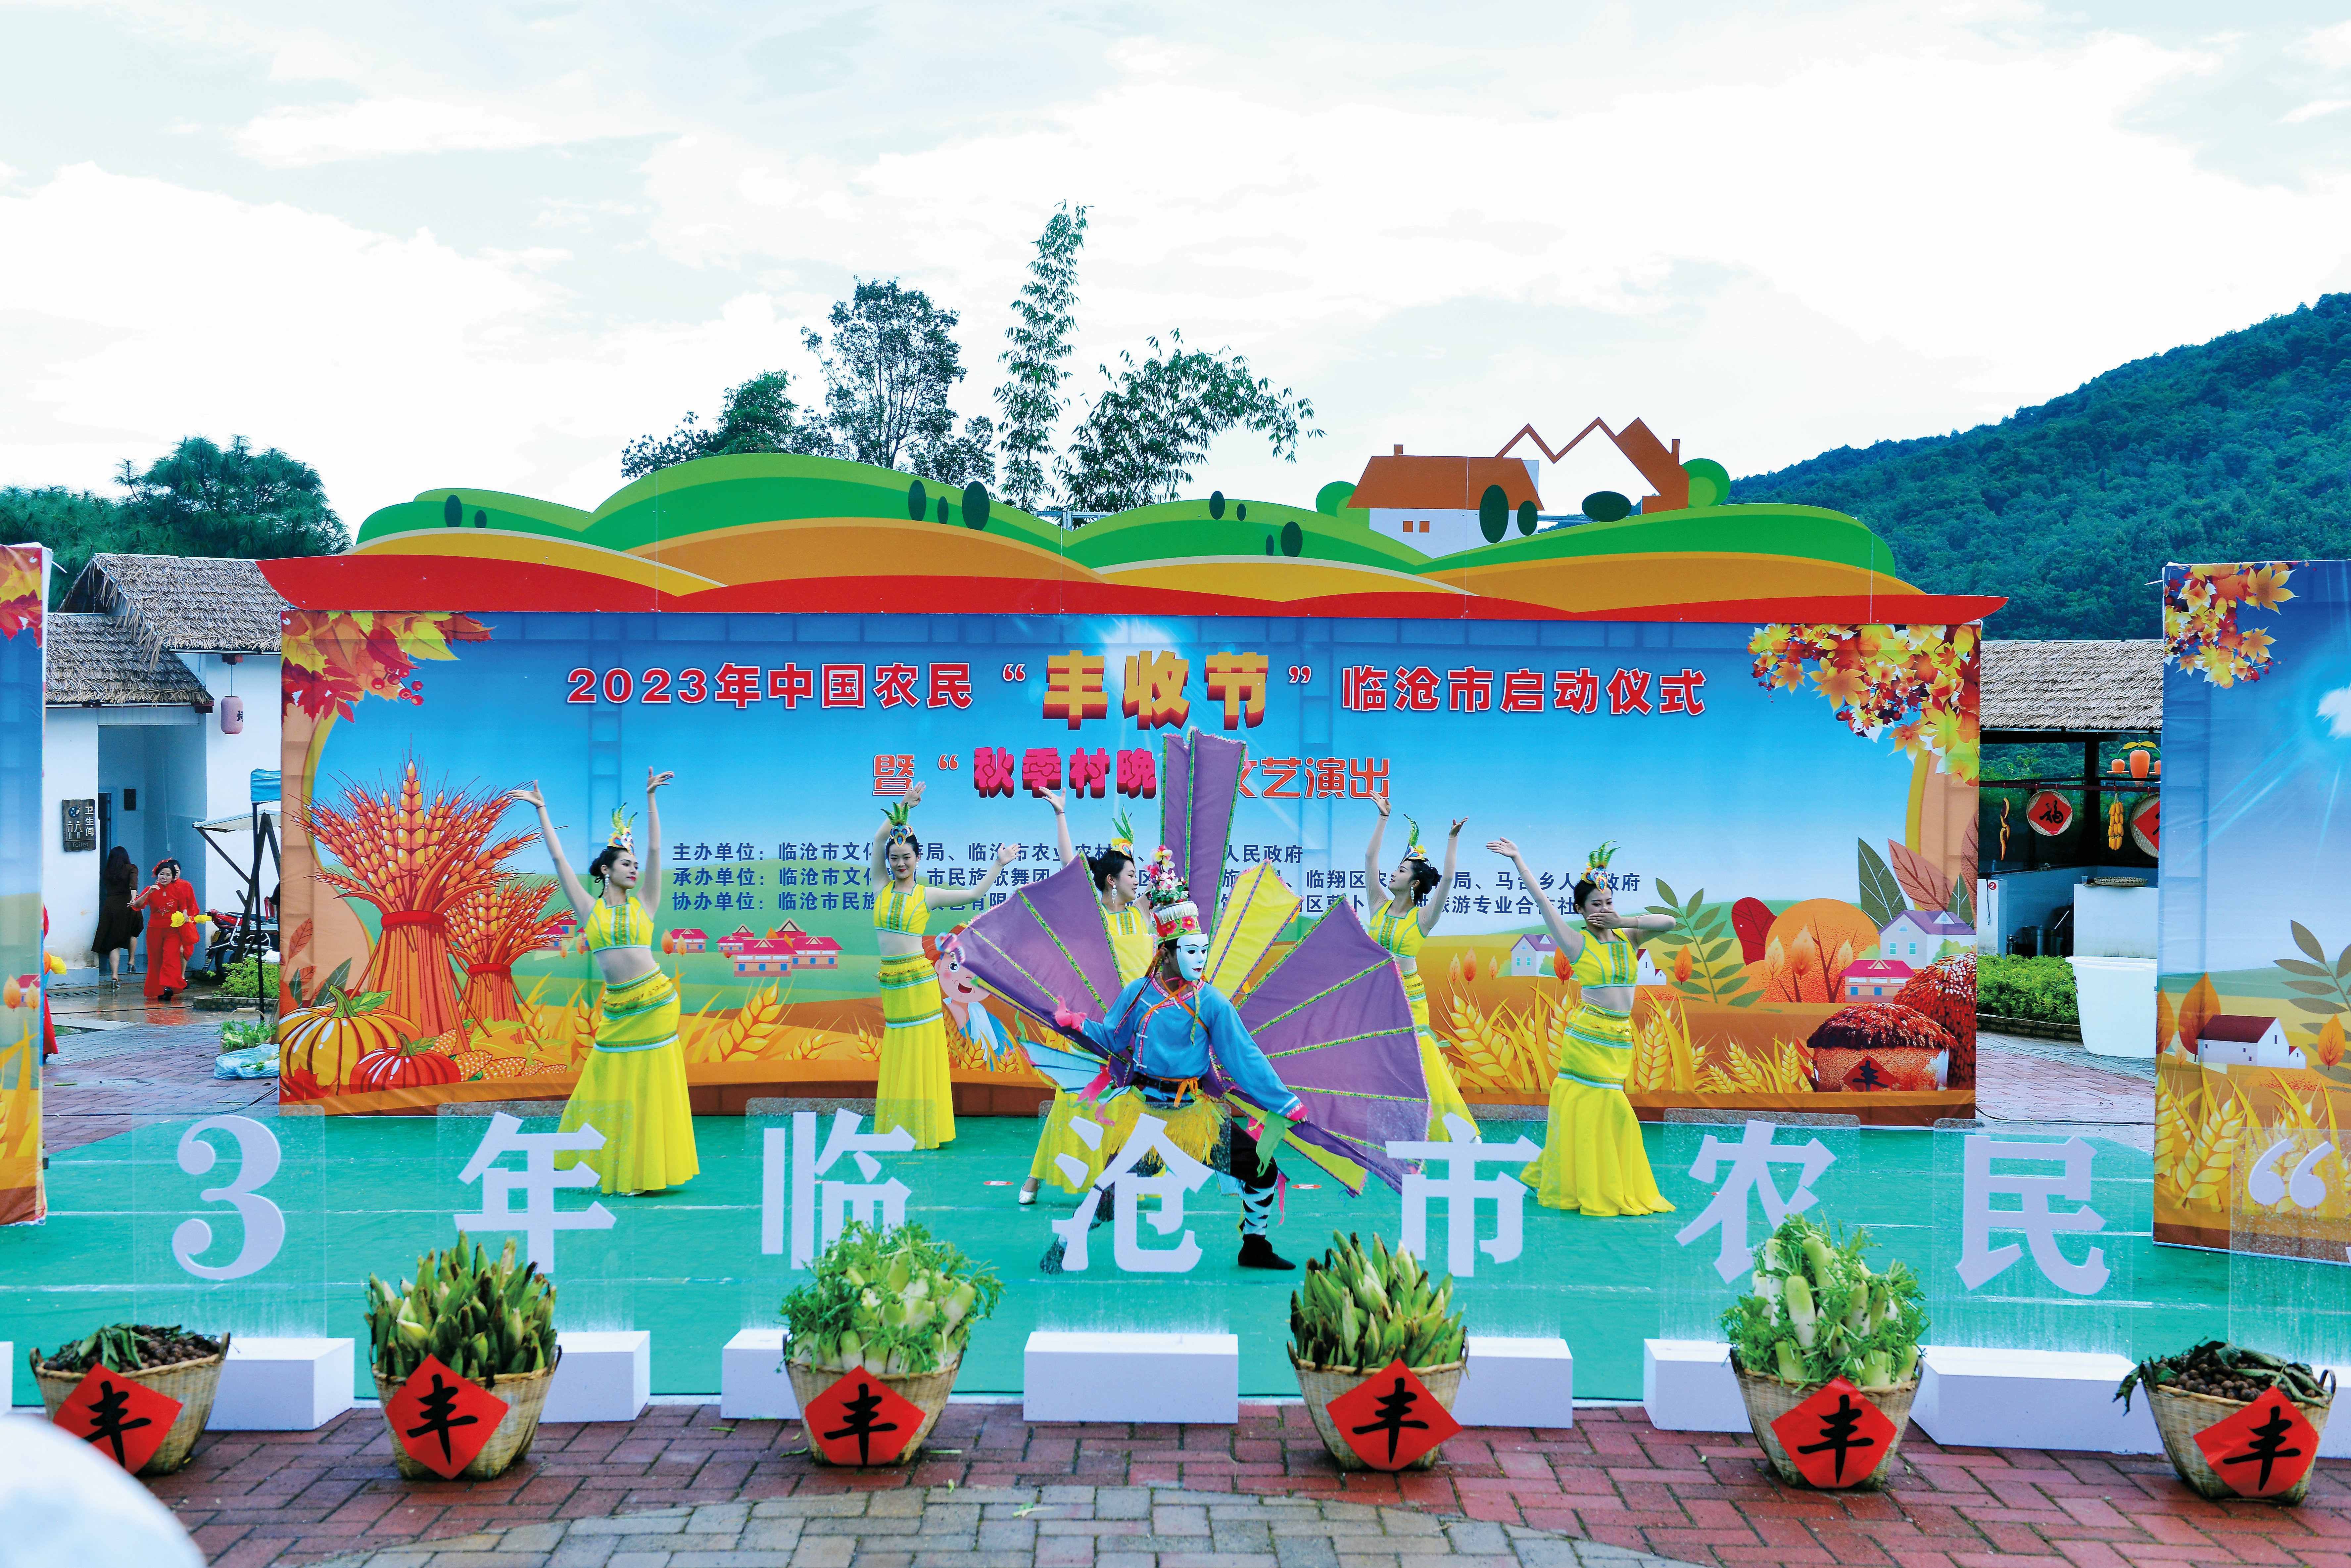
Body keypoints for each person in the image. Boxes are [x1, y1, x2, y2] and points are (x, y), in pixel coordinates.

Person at [1052, 850, 1309, 1269]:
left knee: (1261, 1169)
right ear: (1166, 953)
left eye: (1203, 950)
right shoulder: (1138, 993)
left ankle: (1254, 1247)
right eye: (1191, 951)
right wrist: (1076, 1024)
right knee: (1111, 1192)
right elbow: (1113, 1039)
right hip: (1145, 1115)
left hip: (1195, 1117)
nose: (1200, 959)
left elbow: (1244, 1057)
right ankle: (1068, 1240)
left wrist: (1285, 1103)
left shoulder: (1211, 1001)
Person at [511, 770, 697, 1195]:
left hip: (656, 1003)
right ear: (605, 870)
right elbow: (559, 861)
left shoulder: (645, 903)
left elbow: (655, 849)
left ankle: (643, 1171)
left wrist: (651, 799)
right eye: (626, 864)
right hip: (617, 1010)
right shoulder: (589, 910)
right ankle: (611, 1163)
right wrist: (542, 811)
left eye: (635, 865)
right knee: (607, 1081)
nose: (634, 869)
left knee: (648, 1086)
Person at [1486, 836, 1677, 1216]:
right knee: (1605, 1108)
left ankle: (1560, 1173)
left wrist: (1623, 921)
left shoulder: (1629, 936)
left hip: (1619, 1039)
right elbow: (1541, 901)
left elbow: (1669, 922)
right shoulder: (1577, 942)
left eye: (1609, 903)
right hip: (1587, 1038)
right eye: (1596, 904)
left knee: (1597, 1112)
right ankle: (1594, 1185)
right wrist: (1518, 859)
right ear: (1581, 909)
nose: (1604, 909)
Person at [1018, 796, 1156, 1205]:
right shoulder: (1093, 916)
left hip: (1133, 1025)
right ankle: (1035, 1177)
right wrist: (1061, 813)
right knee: (1075, 1096)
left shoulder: (1142, 912)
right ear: (1112, 880)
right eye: (1131, 875)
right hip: (1095, 1020)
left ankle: (1120, 1181)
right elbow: (1070, 869)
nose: (1138, 881)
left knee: (1128, 1102)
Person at [869, 785, 1017, 1149]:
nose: (900, 863)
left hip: (919, 982)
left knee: (919, 1054)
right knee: (898, 1053)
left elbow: (974, 895)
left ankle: (924, 1130)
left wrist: (998, 864)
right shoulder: (880, 886)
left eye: (907, 857)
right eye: (895, 858)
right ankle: (897, 1129)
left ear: (918, 859)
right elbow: (878, 840)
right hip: (892, 984)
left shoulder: (926, 895)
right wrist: (903, 808)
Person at [1364, 798, 1479, 1140]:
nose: (1393, 873)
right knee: (1380, 1059)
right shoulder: (1378, 905)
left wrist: (1452, 839)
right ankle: (1389, 1126)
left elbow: (1448, 880)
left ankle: (1448, 1129)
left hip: (1409, 997)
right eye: (1396, 868)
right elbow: (1370, 859)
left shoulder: (1424, 918)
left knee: (1420, 1061)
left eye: (1401, 871)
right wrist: (1383, 817)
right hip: (1377, 995)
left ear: (1414, 883)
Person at [127, 859, 201, 1002]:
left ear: (173, 877)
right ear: (157, 875)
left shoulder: (179, 890)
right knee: (156, 960)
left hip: (173, 931)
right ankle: (159, 989)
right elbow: (137, 905)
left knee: (170, 958)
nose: (164, 877)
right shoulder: (151, 889)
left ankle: (169, 987)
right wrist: (149, 893)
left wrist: (186, 917)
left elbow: (184, 908)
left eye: (168, 875)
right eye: (162, 874)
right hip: (154, 931)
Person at [93, 847, 140, 987]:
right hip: (128, 903)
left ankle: (115, 976)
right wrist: (133, 900)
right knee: (134, 932)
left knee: (114, 942)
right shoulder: (131, 868)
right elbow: (133, 885)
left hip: (111, 906)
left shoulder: (108, 871)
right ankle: (131, 961)